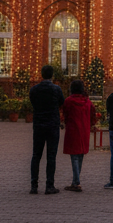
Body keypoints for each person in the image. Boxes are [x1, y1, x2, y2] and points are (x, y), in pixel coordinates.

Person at [29, 65, 65, 194]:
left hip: (39, 124)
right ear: (52, 75)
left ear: (41, 74)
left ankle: (34, 185)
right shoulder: (56, 89)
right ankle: (49, 185)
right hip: (52, 124)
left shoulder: (34, 90)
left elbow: (33, 103)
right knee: (51, 156)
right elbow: (62, 103)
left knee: (36, 155)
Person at [62, 79, 97, 191]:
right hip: (84, 130)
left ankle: (76, 182)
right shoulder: (87, 102)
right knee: (80, 155)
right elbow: (93, 115)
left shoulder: (68, 101)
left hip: (73, 130)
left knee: (74, 156)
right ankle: (75, 180)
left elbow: (65, 114)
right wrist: (92, 124)